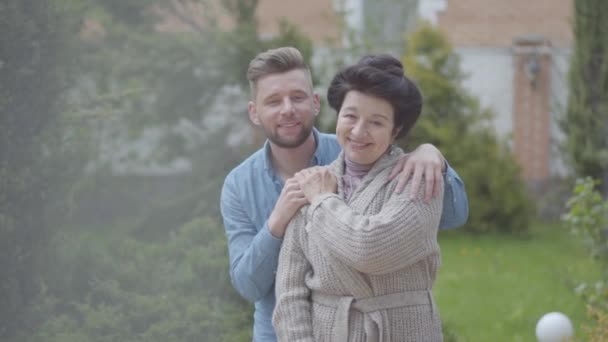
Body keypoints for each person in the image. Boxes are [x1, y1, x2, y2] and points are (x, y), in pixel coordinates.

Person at [220, 47, 467, 341]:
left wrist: (433, 156)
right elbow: (274, 290)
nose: (287, 109)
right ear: (254, 112)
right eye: (273, 101)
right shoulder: (241, 184)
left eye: (297, 97)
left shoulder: (389, 164)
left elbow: (443, 218)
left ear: (315, 103)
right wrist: (277, 221)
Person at [273, 54, 443, 341]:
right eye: (350, 116)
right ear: (337, 116)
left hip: (402, 331)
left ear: (395, 131)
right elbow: (290, 293)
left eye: (376, 122)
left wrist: (323, 202)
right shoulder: (313, 182)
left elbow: (371, 249)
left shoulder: (418, 177)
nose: (358, 131)